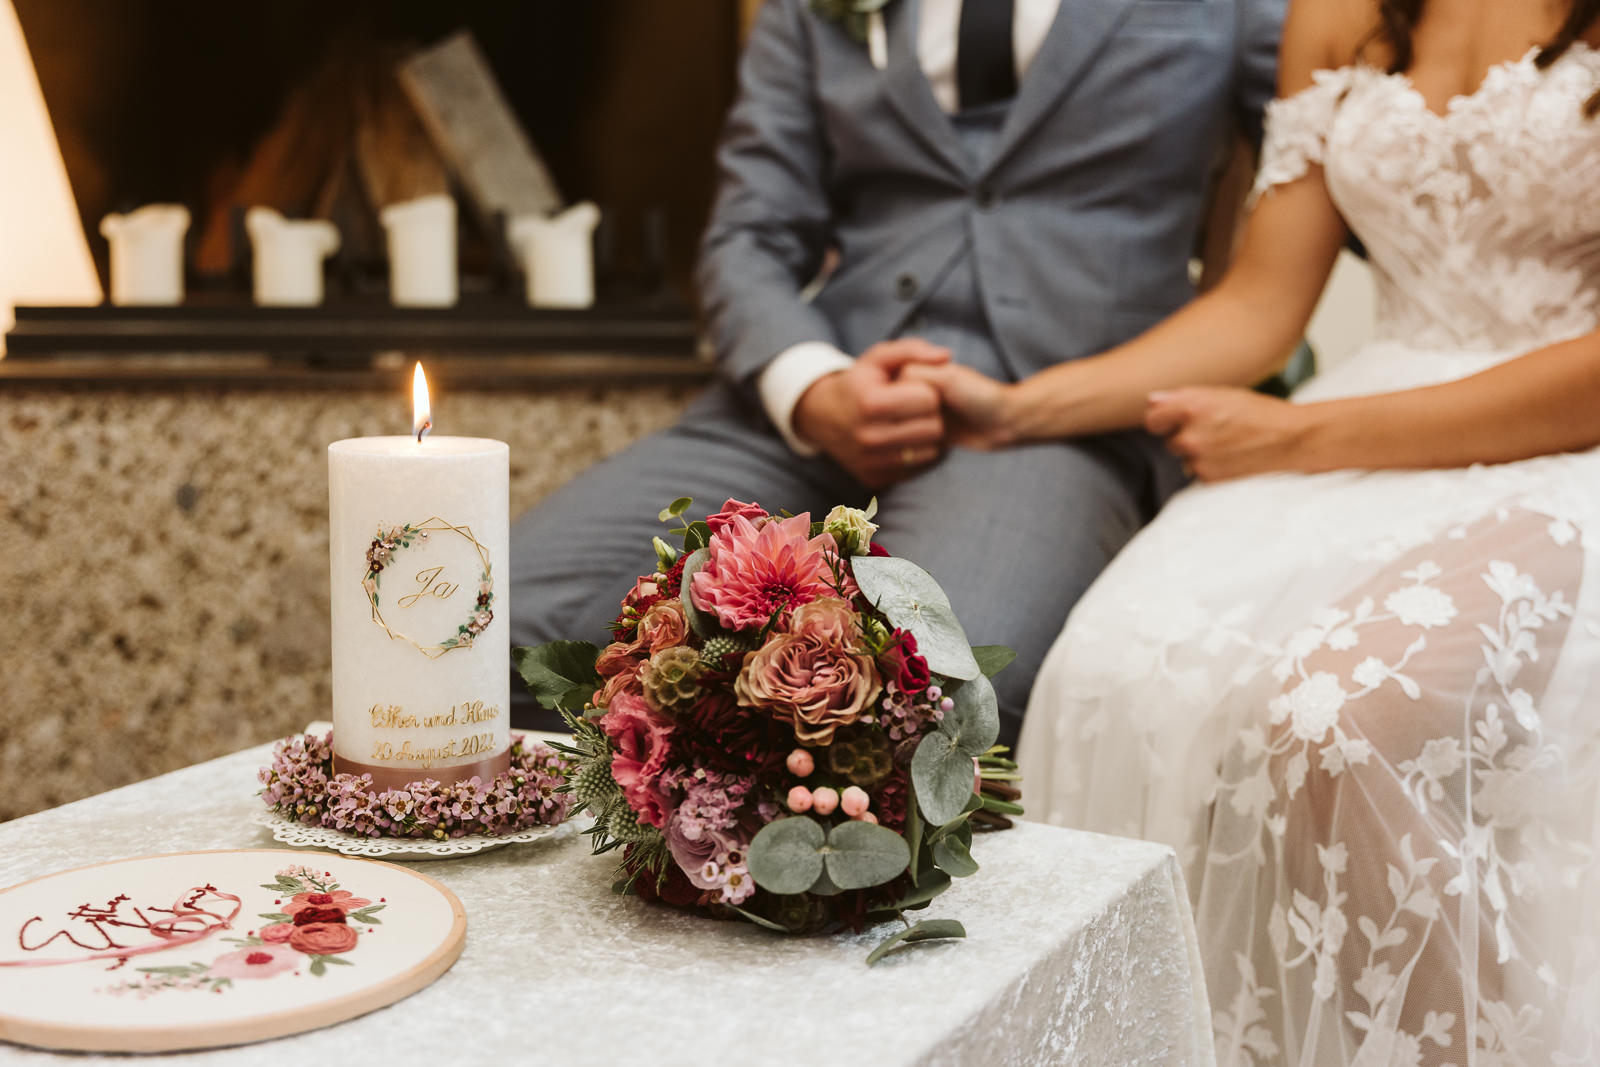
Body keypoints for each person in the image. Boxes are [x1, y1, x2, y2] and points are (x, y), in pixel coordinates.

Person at [912, 0, 1600, 1060]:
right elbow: (1261, 300)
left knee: (1342, 713)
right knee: (1115, 672)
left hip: (1559, 446)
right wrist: (1022, 405)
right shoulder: (1340, 11)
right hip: (1355, 421)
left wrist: (1298, 434)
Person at [509, 0, 1286, 746]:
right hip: (818, 393)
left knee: (933, 688)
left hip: (1051, 423)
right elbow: (748, 236)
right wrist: (813, 389)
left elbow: (1340, 178)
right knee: (488, 626)